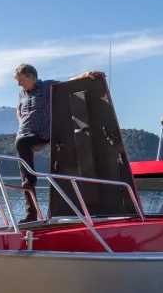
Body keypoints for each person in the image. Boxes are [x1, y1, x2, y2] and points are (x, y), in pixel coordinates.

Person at [13, 64, 105, 223]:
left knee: (23, 149)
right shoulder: (22, 93)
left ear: (31, 77)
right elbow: (19, 109)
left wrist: (85, 74)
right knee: (25, 173)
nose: (19, 85)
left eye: (21, 81)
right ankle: (31, 213)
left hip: (41, 134)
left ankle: (33, 188)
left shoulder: (46, 87)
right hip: (24, 136)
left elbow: (67, 84)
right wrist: (21, 121)